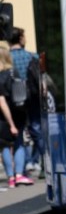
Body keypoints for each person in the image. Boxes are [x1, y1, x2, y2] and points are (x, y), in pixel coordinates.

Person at [8, 27, 43, 177]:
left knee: (18, 133)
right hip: (33, 97)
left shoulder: (6, 58)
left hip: (13, 100)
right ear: (21, 38)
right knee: (37, 130)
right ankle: (41, 162)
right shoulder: (32, 56)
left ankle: (21, 169)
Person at [0, 42, 31, 187]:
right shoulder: (13, 72)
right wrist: (12, 123)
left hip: (2, 117)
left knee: (5, 145)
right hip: (16, 113)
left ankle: (11, 177)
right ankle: (19, 175)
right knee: (19, 143)